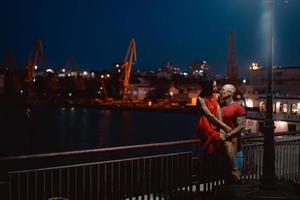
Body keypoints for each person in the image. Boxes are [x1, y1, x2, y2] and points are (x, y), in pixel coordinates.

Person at [195, 75, 231, 154]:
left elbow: (220, 109)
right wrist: (225, 127)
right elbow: (209, 116)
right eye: (214, 86)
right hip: (207, 125)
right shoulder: (200, 99)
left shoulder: (216, 96)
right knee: (210, 150)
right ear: (208, 87)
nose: (216, 88)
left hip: (216, 123)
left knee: (216, 149)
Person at [220, 84, 246, 184]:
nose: (221, 91)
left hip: (236, 148)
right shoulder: (221, 108)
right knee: (227, 179)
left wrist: (227, 135)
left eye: (223, 90)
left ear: (231, 92)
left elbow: (241, 126)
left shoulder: (238, 107)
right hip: (223, 148)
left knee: (236, 178)